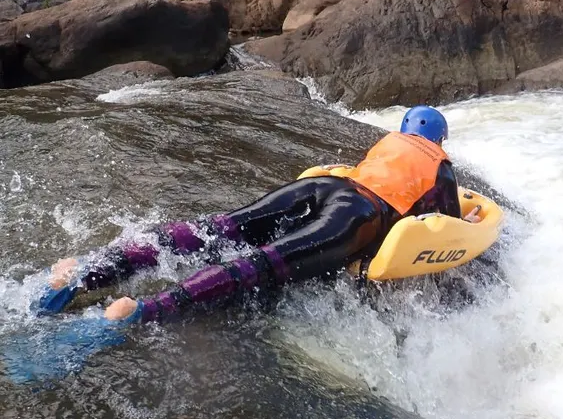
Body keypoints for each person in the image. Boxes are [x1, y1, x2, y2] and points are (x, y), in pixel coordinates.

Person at [37, 105, 482, 325]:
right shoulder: (439, 163)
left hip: (324, 187)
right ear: (440, 138)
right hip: (359, 214)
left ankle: (87, 271)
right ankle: (144, 311)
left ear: (404, 127)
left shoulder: (387, 142)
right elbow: (442, 224)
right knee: (263, 264)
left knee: (219, 229)